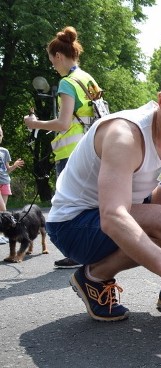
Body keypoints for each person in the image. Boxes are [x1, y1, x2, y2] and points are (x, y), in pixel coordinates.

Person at [45, 63, 161, 322]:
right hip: (74, 225)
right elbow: (113, 216)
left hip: (118, 212)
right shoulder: (124, 135)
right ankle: (94, 277)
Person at [24, 26, 104, 270]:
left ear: (58, 56)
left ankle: (78, 253)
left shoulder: (68, 83)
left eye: (52, 61)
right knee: (93, 203)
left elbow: (64, 122)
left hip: (72, 154)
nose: (53, 66)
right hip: (94, 148)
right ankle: (94, 251)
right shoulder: (88, 79)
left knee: (70, 208)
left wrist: (34, 123)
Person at [0, 125, 25, 244]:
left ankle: (1, 234)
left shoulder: (5, 151)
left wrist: (14, 165)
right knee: (2, 209)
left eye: (0, 134)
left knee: (2, 212)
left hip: (5, 182)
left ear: (2, 136)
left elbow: (7, 170)